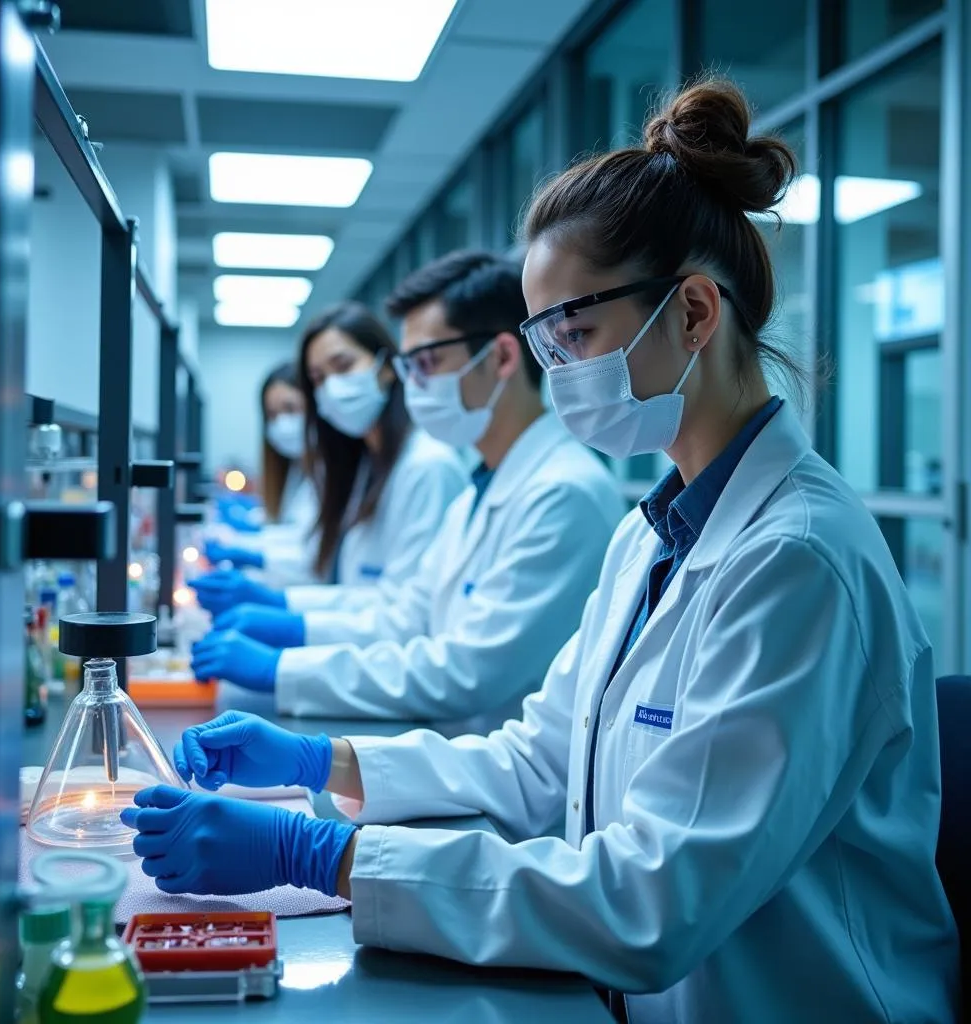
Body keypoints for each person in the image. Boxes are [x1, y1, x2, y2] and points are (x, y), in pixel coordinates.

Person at [124, 79, 960, 1023]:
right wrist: (327, 763)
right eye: (545, 341)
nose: (558, 373)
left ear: (693, 313)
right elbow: (540, 762)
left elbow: (655, 900)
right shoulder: (651, 534)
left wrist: (322, 856)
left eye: (577, 334)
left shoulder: (800, 561)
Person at [193, 250, 626, 719]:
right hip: (449, 756)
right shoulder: (477, 496)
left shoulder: (563, 495)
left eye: (429, 362)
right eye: (410, 367)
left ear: (501, 356)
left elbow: (464, 673)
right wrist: (289, 623)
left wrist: (283, 668)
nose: (415, 385)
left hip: (498, 772)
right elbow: (405, 617)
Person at [189, 302, 467, 691]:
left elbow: (406, 620)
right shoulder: (365, 468)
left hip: (400, 687)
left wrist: (288, 632)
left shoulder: (427, 468)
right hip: (368, 672)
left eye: (342, 366)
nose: (331, 388)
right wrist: (283, 610)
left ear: (387, 367)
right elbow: (358, 593)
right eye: (318, 378)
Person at [204, 362, 322, 586]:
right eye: (272, 415)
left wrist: (248, 549)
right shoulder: (297, 469)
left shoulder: (327, 473)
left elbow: (311, 554)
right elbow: (295, 534)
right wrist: (245, 535)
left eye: (290, 408)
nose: (281, 423)